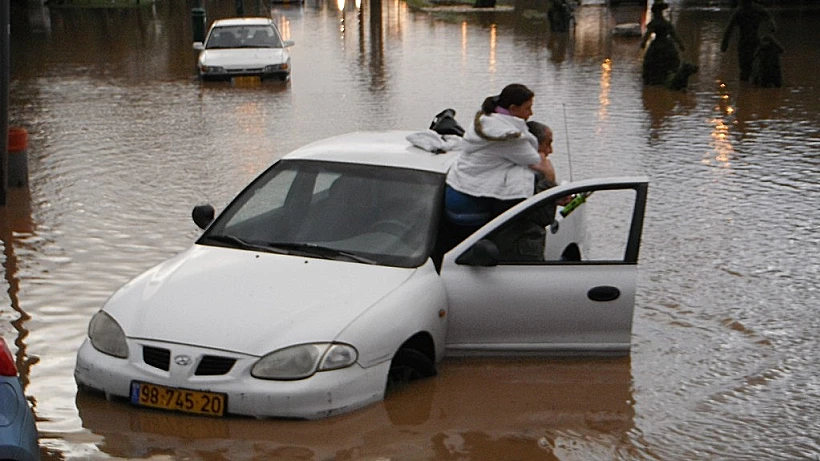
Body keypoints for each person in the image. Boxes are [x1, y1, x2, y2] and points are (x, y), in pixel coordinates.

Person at [443, 84, 545, 244]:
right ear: (513, 108)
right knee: (475, 251)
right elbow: (533, 159)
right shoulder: (509, 137)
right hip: (472, 204)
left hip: (456, 191)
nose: (531, 113)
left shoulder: (484, 121)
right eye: (527, 108)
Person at [721, 0, 776, 82]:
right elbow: (770, 21)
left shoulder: (739, 11)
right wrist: (772, 28)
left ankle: (744, 86)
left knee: (744, 69)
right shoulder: (758, 9)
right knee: (755, 68)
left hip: (744, 43)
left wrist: (724, 44)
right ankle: (752, 85)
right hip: (755, 42)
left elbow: (729, 29)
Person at [640, 1, 686, 86]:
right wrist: (680, 45)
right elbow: (674, 35)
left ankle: (653, 80)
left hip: (658, 44)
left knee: (649, 62)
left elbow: (647, 34)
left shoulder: (656, 23)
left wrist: (643, 43)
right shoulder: (665, 23)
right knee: (672, 62)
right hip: (666, 44)